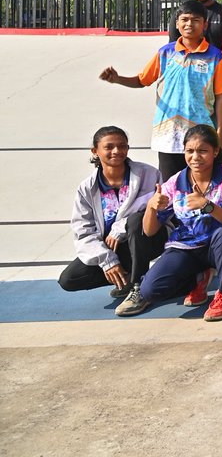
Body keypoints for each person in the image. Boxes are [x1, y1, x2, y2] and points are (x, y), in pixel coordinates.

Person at [99, 0, 222, 180]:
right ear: (177, 24)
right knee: (170, 186)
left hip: (201, 134)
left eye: (195, 20)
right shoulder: (165, 53)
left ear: (205, 25)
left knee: (203, 183)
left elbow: (221, 96)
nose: (189, 24)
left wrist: (220, 133)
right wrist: (117, 79)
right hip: (168, 135)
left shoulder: (215, 56)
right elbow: (142, 80)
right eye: (184, 19)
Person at [135, 125, 222, 321]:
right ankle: (198, 279)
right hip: (186, 247)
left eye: (202, 151)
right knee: (150, 290)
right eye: (190, 151)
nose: (195, 157)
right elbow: (149, 231)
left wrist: (208, 206)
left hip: (219, 245)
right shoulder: (175, 182)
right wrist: (151, 207)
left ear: (215, 152)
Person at [58, 126, 167, 317]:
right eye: (109, 147)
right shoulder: (87, 188)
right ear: (95, 151)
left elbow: (157, 209)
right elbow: (83, 231)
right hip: (115, 249)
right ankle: (126, 278)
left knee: (135, 222)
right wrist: (107, 260)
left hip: (150, 238)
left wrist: (120, 226)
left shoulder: (149, 174)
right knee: (69, 279)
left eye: (122, 146)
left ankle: (139, 287)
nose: (116, 151)